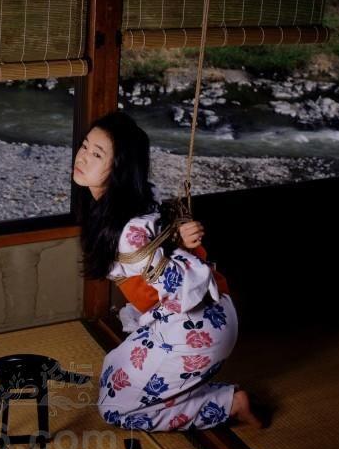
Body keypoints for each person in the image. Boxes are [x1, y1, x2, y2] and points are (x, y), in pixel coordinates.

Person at [73, 111, 262, 432]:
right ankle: (183, 384)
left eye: (97, 154)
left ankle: (229, 404)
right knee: (113, 374)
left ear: (119, 169)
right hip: (192, 315)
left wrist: (181, 250)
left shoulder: (129, 231)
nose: (83, 157)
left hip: (197, 326)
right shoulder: (130, 201)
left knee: (116, 411)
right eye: (85, 146)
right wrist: (176, 245)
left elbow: (183, 286)